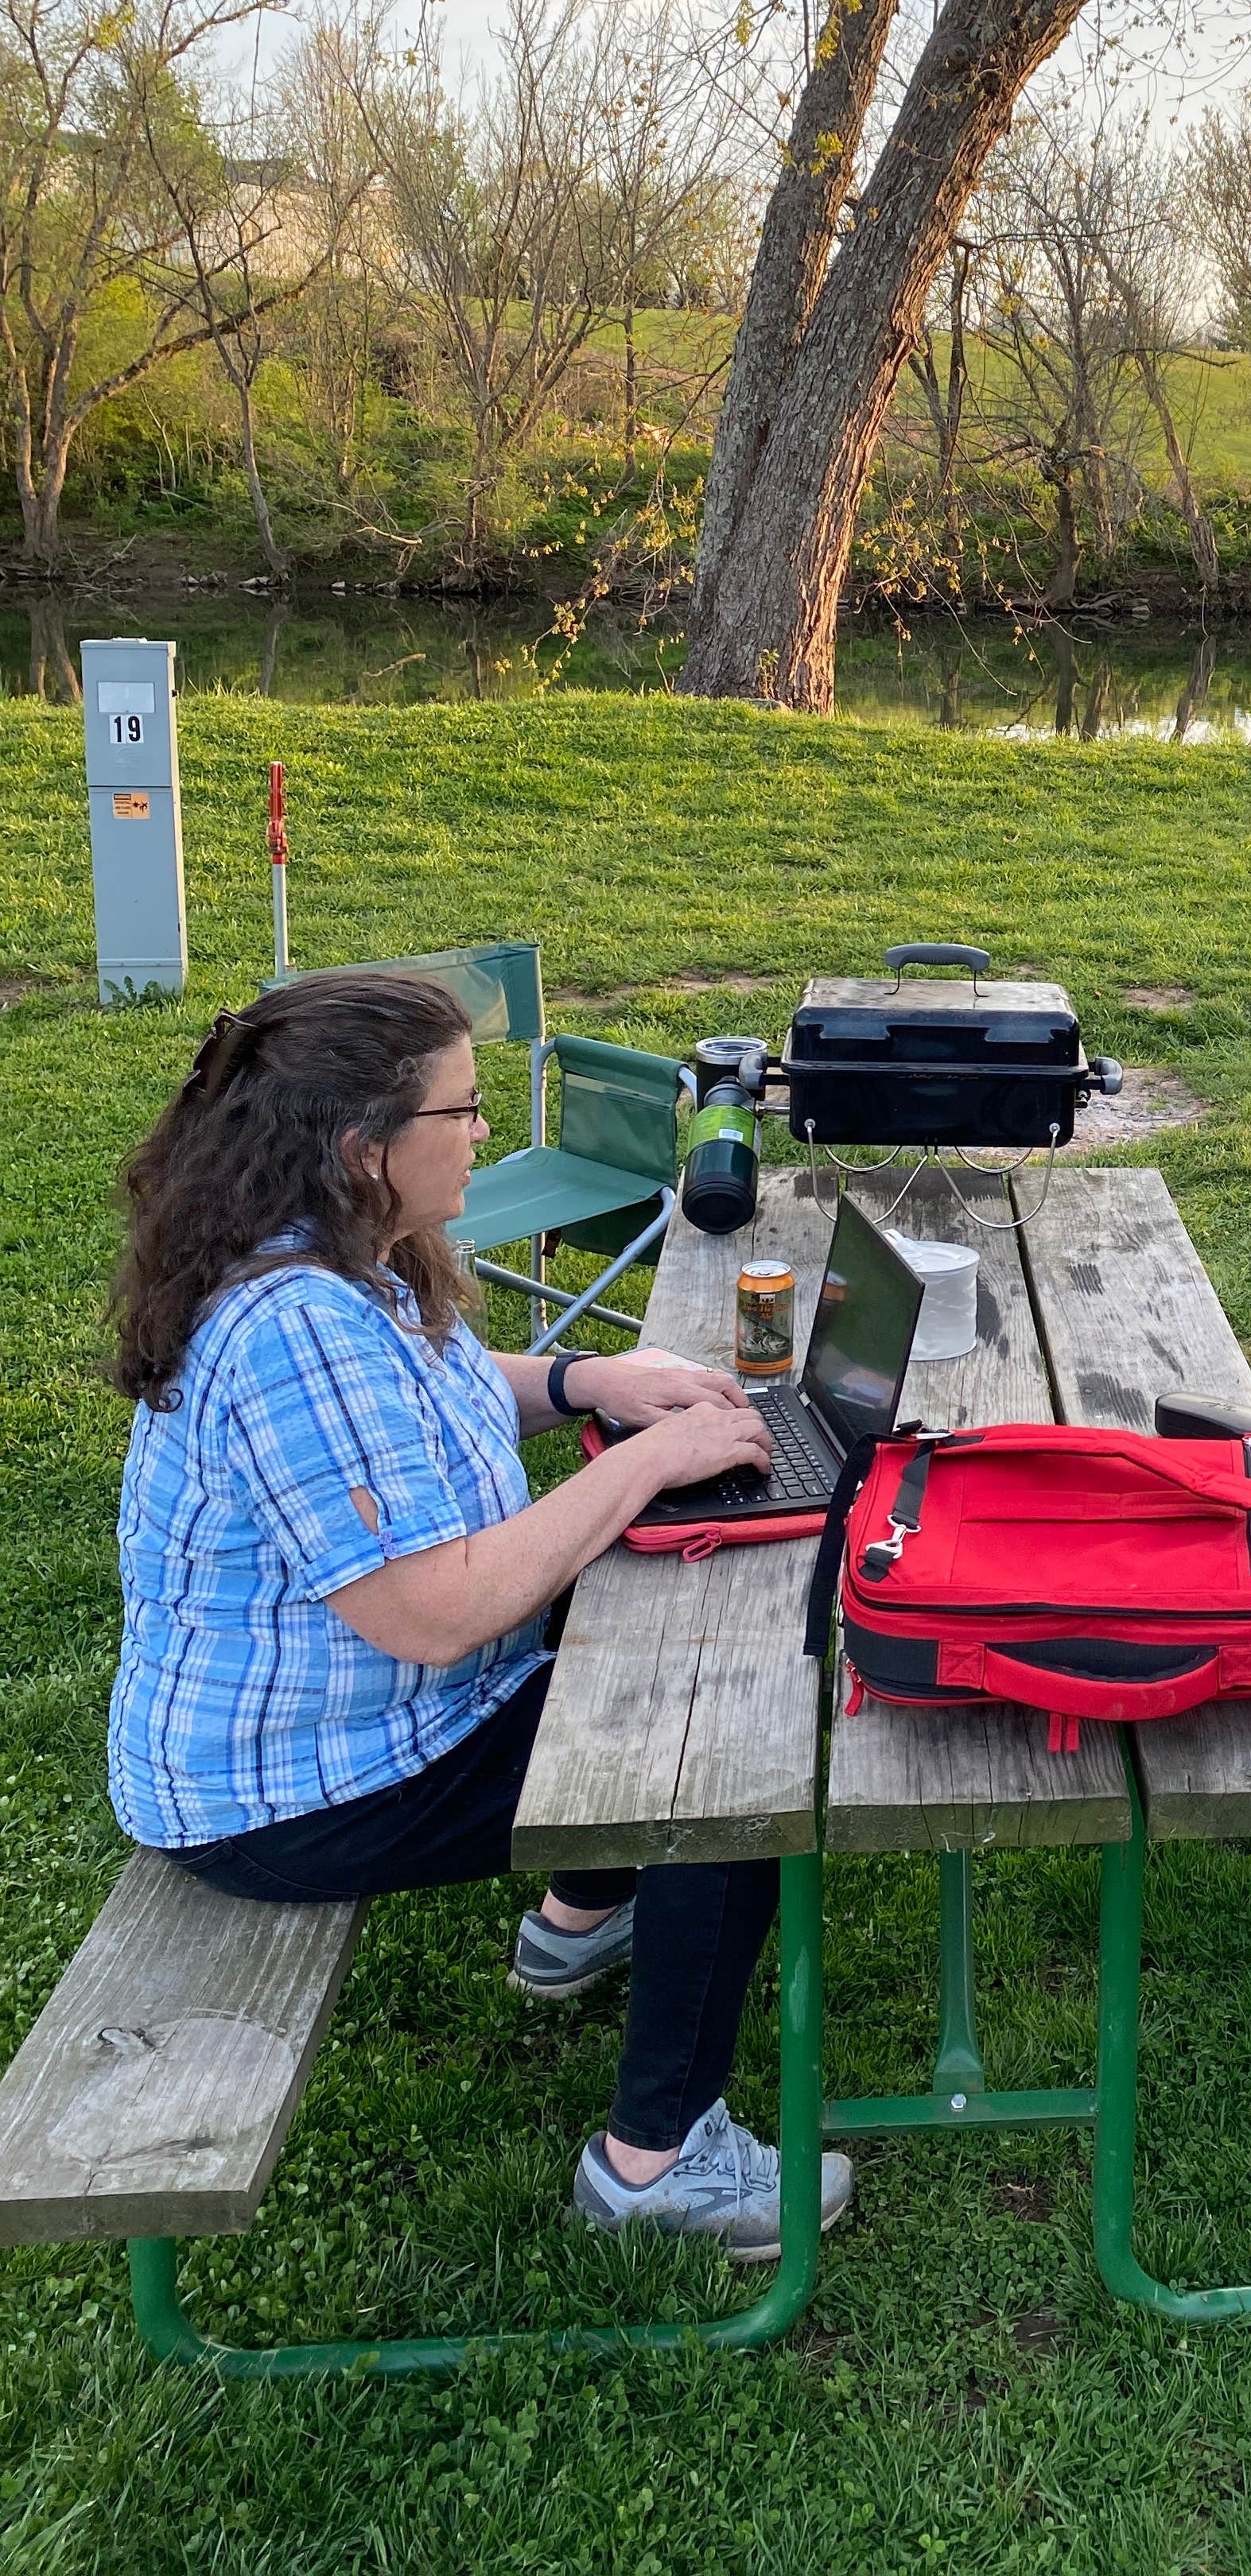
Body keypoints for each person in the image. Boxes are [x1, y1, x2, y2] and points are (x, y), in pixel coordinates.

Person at [105, 968, 851, 2262]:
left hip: (366, 1717)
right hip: (293, 1789)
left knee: (660, 1628)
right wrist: (637, 1465)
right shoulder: (292, 1326)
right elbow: (437, 1617)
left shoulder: (338, 1256)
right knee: (727, 1750)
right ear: (363, 1148)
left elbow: (435, 1393)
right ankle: (653, 2166)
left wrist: (582, 1378)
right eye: (460, 1111)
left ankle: (579, 1919)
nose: (483, 1134)